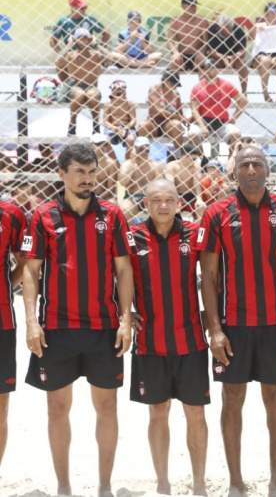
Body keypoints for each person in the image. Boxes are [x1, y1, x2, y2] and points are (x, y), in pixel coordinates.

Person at [21, 143, 136, 497]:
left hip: (103, 330)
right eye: (80, 172)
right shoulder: (43, 216)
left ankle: (104, 486)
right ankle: (64, 487)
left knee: (107, 407)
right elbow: (30, 270)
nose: (88, 179)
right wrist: (30, 321)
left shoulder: (113, 216)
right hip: (56, 329)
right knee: (57, 408)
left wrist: (126, 319)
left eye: (92, 172)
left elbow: (124, 269)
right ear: (62, 174)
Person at [197, 146, 276, 497]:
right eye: (245, 164)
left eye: (258, 163)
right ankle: (236, 483)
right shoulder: (216, 214)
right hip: (233, 326)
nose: (252, 169)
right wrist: (214, 329)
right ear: (235, 172)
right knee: (233, 398)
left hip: (275, 324)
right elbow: (208, 277)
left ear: (268, 171)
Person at [129, 178, 208, 496]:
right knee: (157, 412)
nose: (163, 206)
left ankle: (199, 484)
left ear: (178, 203)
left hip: (191, 342)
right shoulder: (132, 238)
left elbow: (214, 277)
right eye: (156, 200)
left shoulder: (193, 235)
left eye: (169, 200)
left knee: (196, 413)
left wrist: (212, 318)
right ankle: (163, 484)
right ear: (146, 204)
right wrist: (123, 310)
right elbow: (116, 274)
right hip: (149, 342)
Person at [0, 196, 25, 473]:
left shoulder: (11, 214)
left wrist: (6, 285)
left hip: (2, 320)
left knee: (0, 408)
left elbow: (25, 262)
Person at [50, 0, 109, 84]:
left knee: (91, 87)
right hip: (72, 57)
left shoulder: (89, 19)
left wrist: (100, 48)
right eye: (81, 8)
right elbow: (52, 41)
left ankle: (91, 91)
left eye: (85, 7)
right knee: (60, 66)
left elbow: (106, 33)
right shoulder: (64, 21)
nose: (84, 10)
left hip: (88, 56)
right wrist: (62, 53)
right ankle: (67, 87)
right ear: (72, 7)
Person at [189, 59, 247, 147]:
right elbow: (194, 109)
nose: (207, 70)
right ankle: (202, 157)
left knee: (236, 133)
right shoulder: (197, 87)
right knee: (192, 134)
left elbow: (243, 101)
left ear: (217, 70)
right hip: (203, 121)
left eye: (211, 68)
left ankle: (230, 159)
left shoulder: (226, 85)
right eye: (205, 68)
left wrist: (234, 118)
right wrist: (202, 126)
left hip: (221, 123)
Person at [59, 28, 102, 136]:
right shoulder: (70, 54)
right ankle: (72, 124)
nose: (83, 41)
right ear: (75, 40)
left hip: (91, 86)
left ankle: (96, 127)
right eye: (80, 38)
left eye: (85, 38)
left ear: (89, 39)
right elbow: (58, 61)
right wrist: (69, 44)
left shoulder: (95, 54)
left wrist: (96, 44)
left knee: (92, 95)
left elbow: (110, 57)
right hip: (76, 86)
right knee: (80, 94)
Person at [119, 137, 165, 223]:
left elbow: (159, 187)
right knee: (124, 210)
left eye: (147, 150)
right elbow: (123, 182)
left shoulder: (155, 166)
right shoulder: (127, 164)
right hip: (131, 197)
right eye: (141, 149)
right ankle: (130, 235)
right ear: (135, 149)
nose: (144, 152)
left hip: (150, 197)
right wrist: (133, 163)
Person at [207, 15, 250, 96]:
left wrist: (234, 57)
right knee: (209, 64)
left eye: (228, 29)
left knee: (242, 62)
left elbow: (242, 51)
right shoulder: (213, 29)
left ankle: (244, 92)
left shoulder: (239, 31)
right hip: (218, 58)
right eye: (223, 30)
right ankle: (209, 93)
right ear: (220, 27)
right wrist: (224, 58)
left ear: (232, 26)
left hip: (235, 58)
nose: (226, 32)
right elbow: (212, 51)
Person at [139, 70, 186, 144]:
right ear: (165, 80)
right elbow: (157, 111)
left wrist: (184, 120)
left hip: (168, 124)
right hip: (154, 123)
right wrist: (178, 117)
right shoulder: (154, 89)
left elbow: (180, 113)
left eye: (176, 85)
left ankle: (179, 154)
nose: (174, 87)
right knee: (143, 126)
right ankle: (141, 153)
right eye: (172, 84)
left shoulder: (176, 94)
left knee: (177, 125)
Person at [168, 0, 209, 72]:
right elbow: (170, 41)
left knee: (203, 63)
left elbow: (206, 42)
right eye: (190, 5)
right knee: (174, 63)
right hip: (182, 55)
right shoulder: (175, 21)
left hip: (197, 55)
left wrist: (201, 52)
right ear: (183, 5)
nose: (193, 8)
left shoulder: (202, 21)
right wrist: (175, 52)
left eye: (194, 5)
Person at [164, 143, 203, 219]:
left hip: (191, 195)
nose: (195, 161)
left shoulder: (195, 166)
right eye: (193, 159)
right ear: (185, 156)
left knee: (201, 210)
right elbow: (170, 186)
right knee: (174, 213)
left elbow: (197, 184)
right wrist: (175, 200)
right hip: (176, 194)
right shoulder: (172, 166)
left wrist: (199, 199)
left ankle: (198, 230)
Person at [102, 80, 137, 145]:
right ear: (112, 91)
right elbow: (105, 121)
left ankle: (129, 154)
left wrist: (125, 128)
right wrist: (115, 128)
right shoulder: (108, 104)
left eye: (121, 89)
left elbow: (133, 120)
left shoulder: (129, 103)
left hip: (127, 127)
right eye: (116, 89)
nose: (119, 94)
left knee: (131, 139)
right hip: (112, 127)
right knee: (106, 140)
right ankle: (110, 154)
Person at [92, 133, 120, 203]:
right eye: (98, 144)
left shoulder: (111, 164)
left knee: (113, 203)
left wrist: (97, 198)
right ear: (91, 145)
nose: (102, 146)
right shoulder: (84, 162)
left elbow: (110, 189)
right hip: (86, 196)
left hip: (105, 197)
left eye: (105, 144)